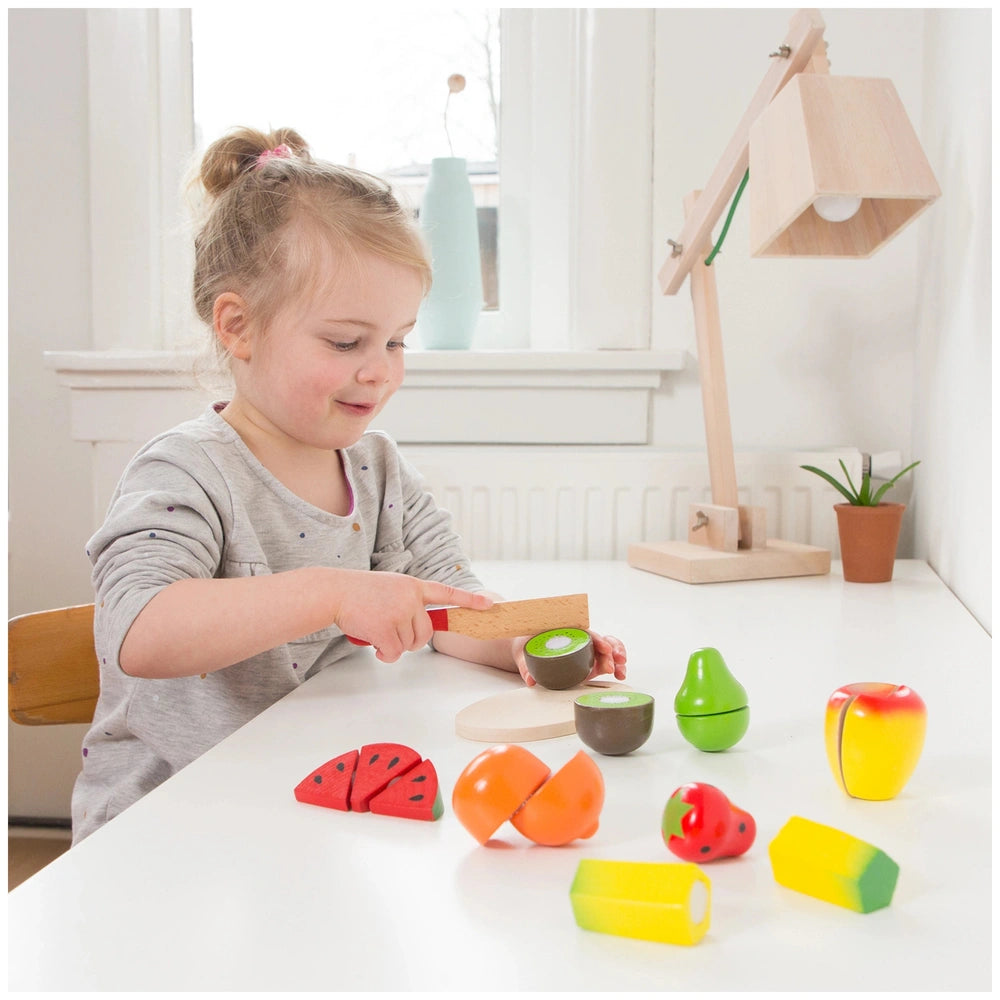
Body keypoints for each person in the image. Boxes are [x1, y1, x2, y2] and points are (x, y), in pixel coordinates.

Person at [71, 127, 627, 844]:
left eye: (397, 340)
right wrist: (334, 592)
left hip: (306, 801)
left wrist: (521, 642)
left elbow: (449, 600)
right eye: (345, 343)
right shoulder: (186, 471)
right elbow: (137, 631)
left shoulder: (379, 469)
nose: (381, 370)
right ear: (238, 326)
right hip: (168, 825)